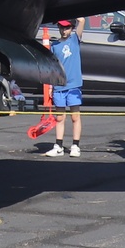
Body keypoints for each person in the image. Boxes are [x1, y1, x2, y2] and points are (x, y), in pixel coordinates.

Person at [43, 19, 83, 157]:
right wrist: (50, 86)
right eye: (61, 27)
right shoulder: (54, 45)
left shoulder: (75, 40)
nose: (64, 30)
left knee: (75, 116)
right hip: (59, 85)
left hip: (74, 85)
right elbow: (52, 67)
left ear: (71, 28)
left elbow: (82, 20)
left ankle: (75, 145)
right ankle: (58, 146)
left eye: (67, 28)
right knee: (59, 118)